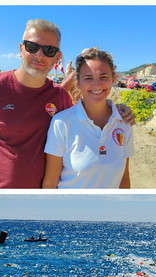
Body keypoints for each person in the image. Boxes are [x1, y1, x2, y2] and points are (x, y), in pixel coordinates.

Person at [0, 19, 134, 189]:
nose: (40, 55)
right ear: (21, 49)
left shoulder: (60, 96)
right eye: (32, 46)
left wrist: (115, 110)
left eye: (49, 50)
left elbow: (86, 116)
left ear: (57, 57)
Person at [43, 47, 134, 189]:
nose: (97, 84)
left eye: (103, 77)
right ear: (77, 82)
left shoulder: (124, 122)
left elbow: (123, 178)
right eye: (88, 78)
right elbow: (50, 183)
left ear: (113, 79)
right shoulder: (61, 123)